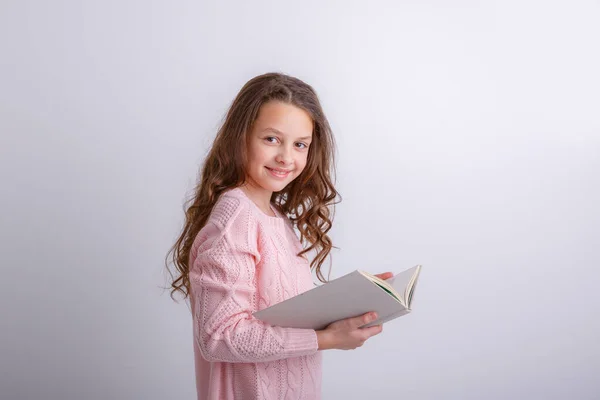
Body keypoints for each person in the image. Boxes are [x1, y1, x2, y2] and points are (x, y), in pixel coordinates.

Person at [166, 72, 393, 400]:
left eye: (300, 144)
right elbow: (220, 336)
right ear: (240, 137)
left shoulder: (275, 218)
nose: (287, 157)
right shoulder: (235, 221)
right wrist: (327, 339)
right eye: (271, 139)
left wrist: (353, 302)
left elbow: (280, 315)